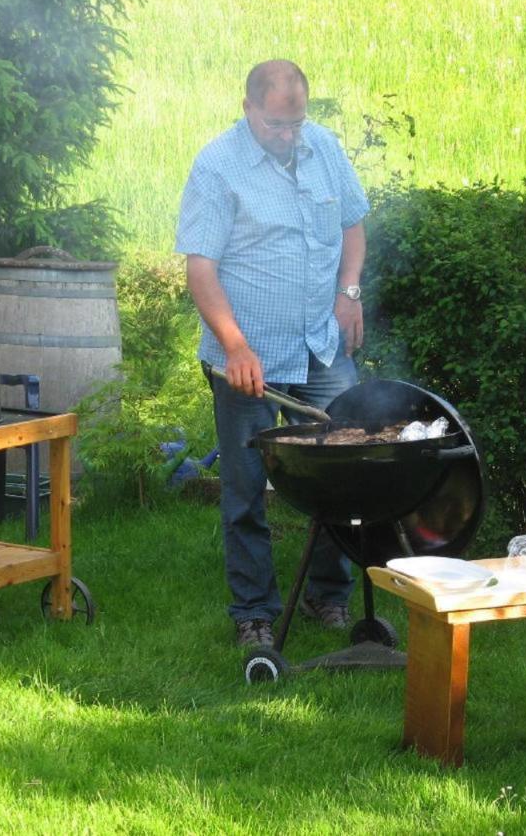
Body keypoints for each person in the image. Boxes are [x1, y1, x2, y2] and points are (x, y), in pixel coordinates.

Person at [175, 59, 371, 648]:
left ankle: (328, 596)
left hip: (320, 344)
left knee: (346, 469)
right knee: (245, 487)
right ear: (248, 110)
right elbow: (200, 270)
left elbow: (353, 224)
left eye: (296, 125)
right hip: (249, 356)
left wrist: (349, 290)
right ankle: (254, 613)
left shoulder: (324, 147)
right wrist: (235, 346)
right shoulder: (217, 167)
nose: (288, 139)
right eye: (275, 127)